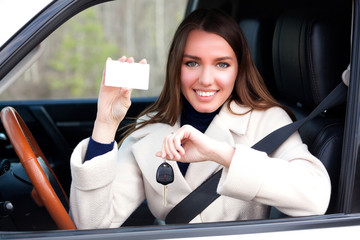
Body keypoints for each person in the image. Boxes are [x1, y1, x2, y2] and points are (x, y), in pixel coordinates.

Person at [69, 8, 331, 229]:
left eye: (222, 64)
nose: (206, 79)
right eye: (192, 63)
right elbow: (92, 225)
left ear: (239, 69)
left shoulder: (267, 121)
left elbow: (315, 197)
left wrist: (221, 154)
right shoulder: (148, 130)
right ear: (176, 67)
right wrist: (104, 123)